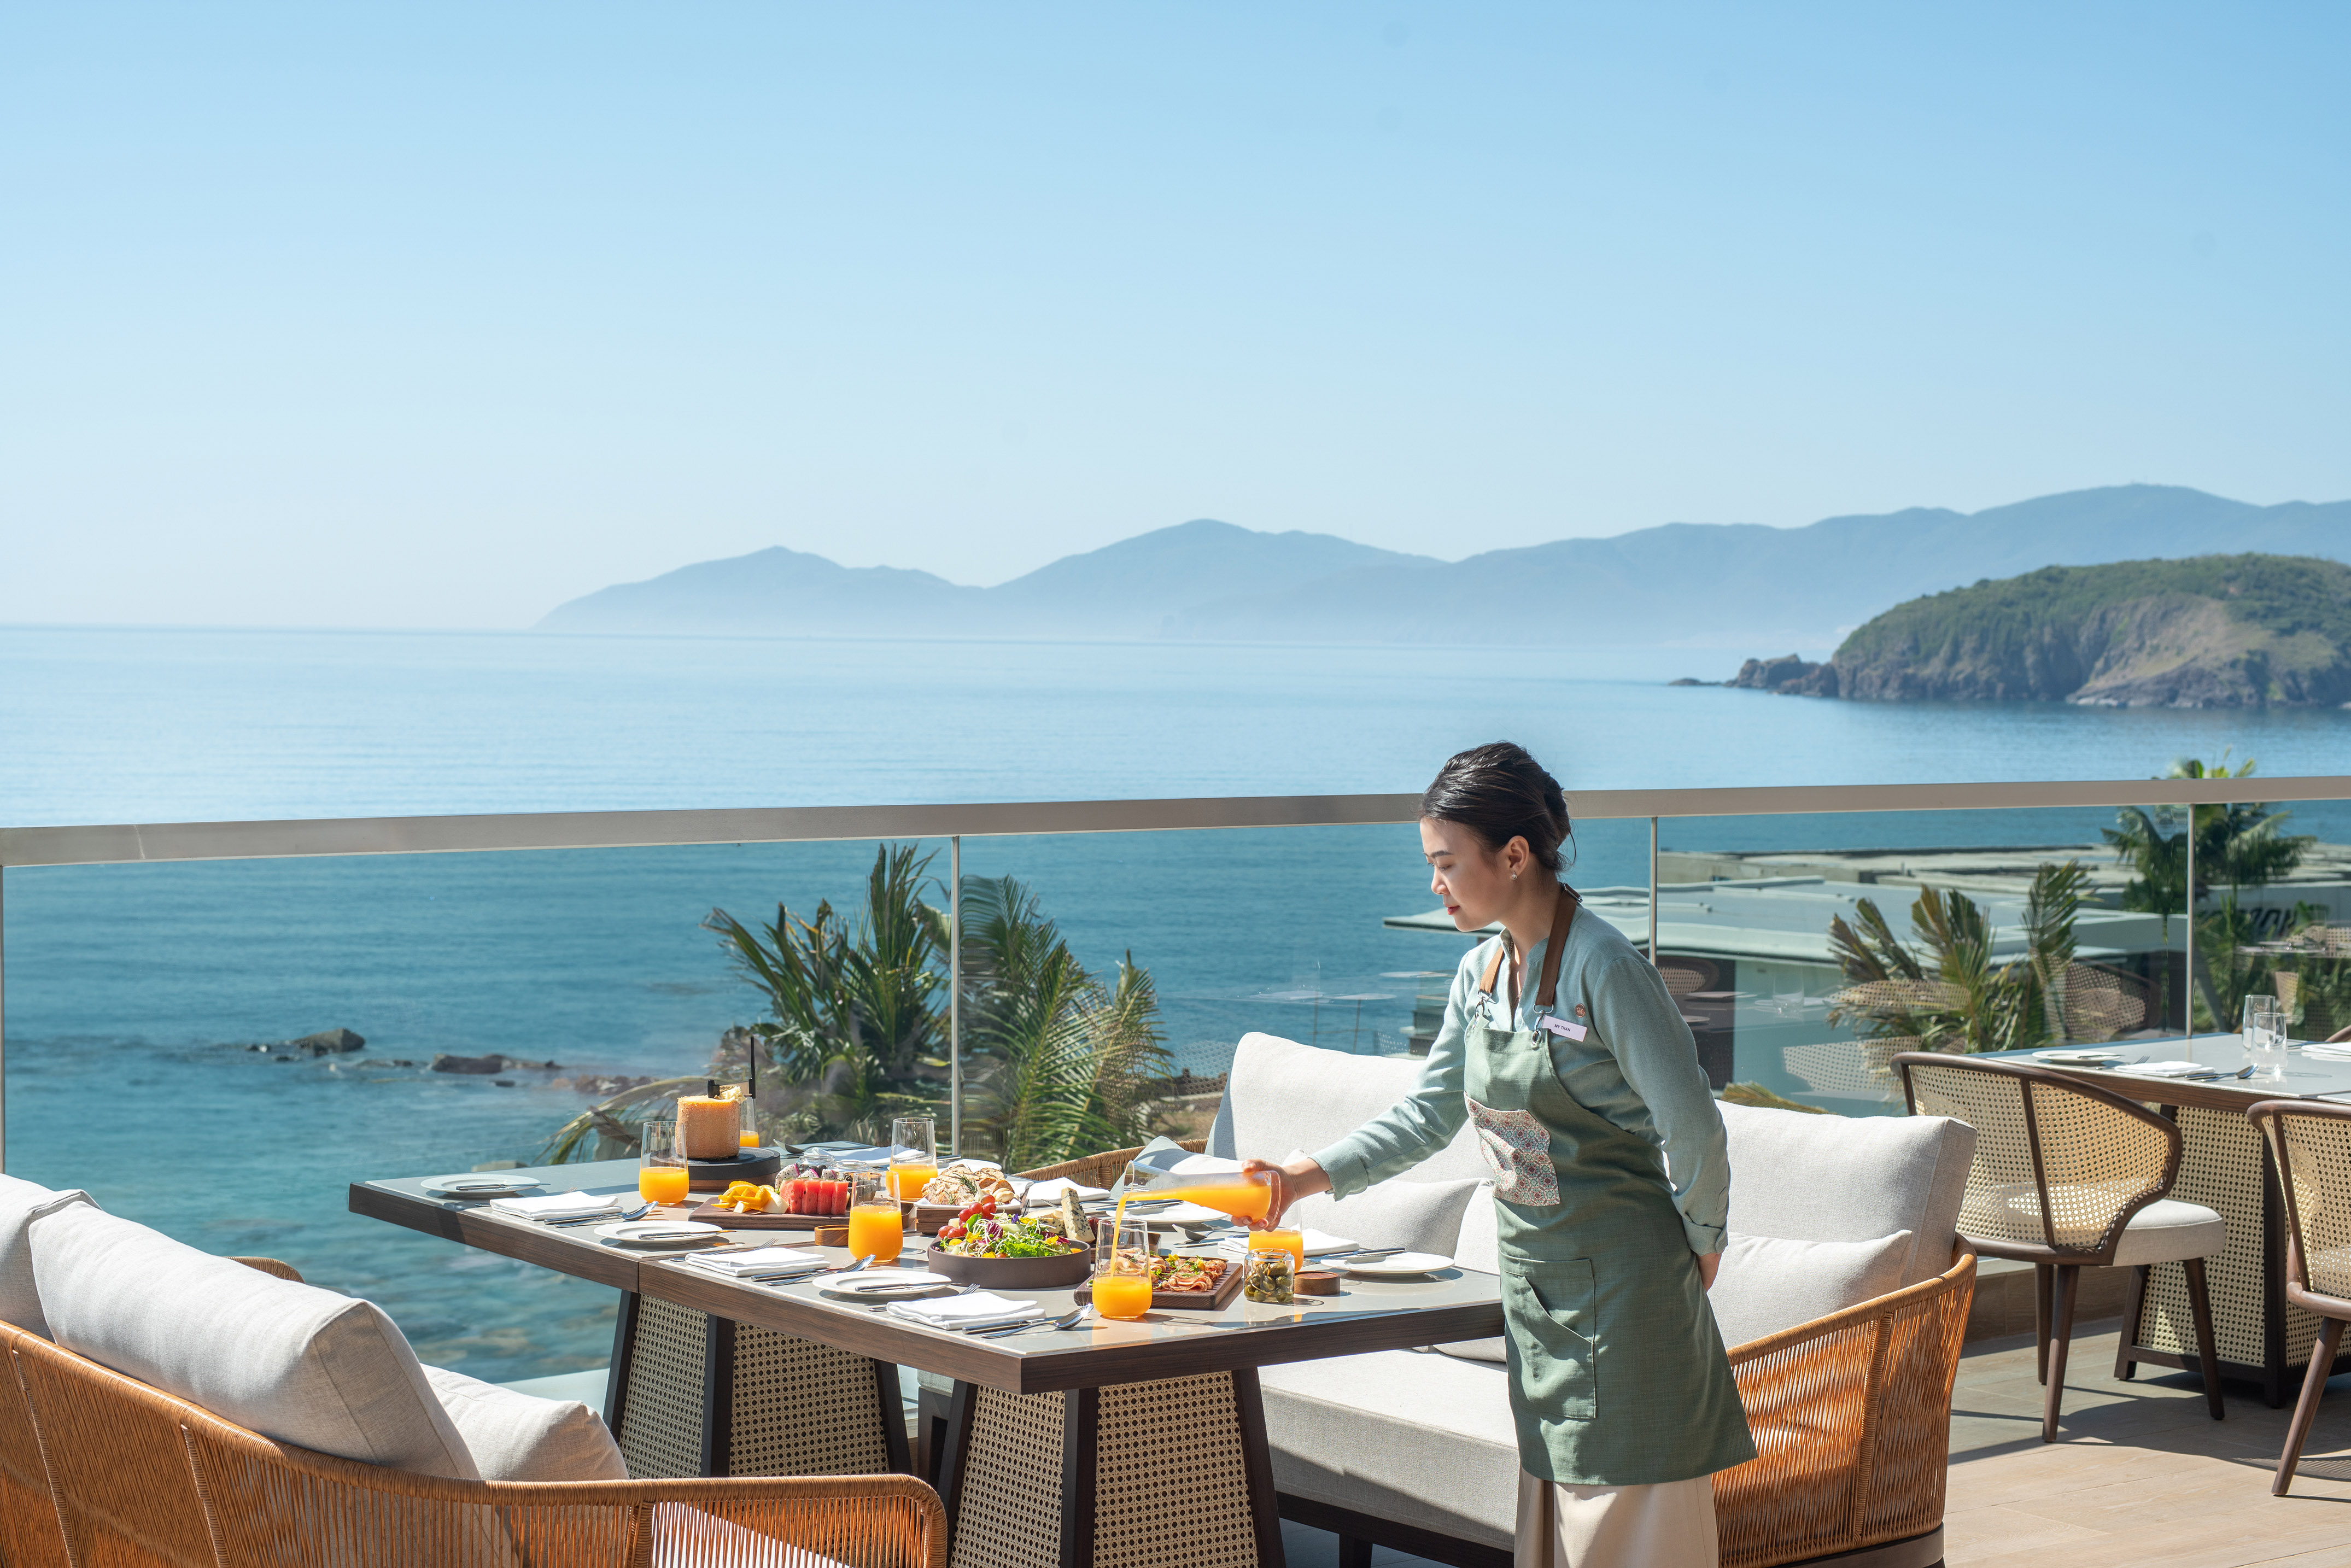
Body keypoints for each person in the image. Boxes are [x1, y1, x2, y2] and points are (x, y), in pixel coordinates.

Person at [1245, 742, 1752, 1567]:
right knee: (1556, 1540)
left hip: (1630, 1297)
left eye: (1446, 863)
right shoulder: (1481, 973)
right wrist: (1302, 1177)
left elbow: (1693, 1124)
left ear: (1514, 856)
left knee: (1627, 1542)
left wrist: (1704, 1240)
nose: (1434, 884)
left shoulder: (1605, 968)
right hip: (1539, 1294)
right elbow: (1427, 1114)